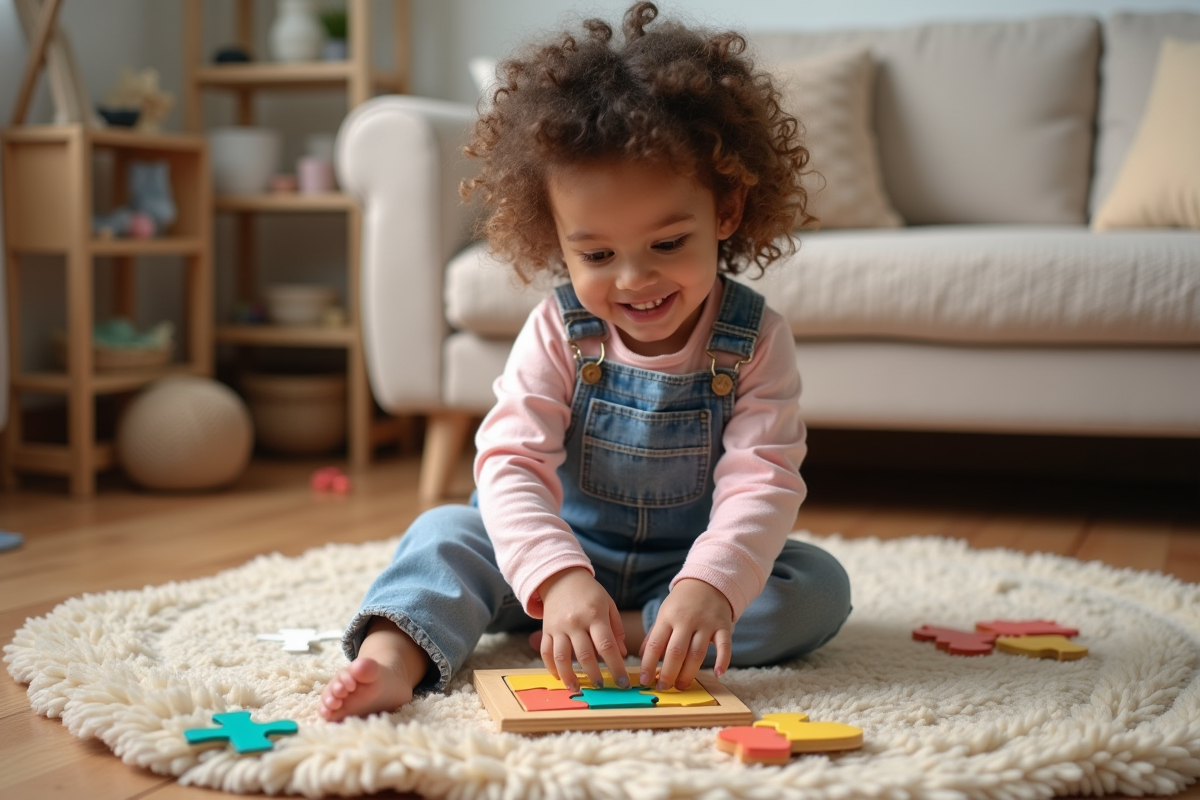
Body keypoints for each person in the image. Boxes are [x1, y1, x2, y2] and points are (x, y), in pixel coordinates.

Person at [319, 1, 851, 722]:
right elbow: (509, 463)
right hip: (548, 557)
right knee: (444, 535)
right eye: (597, 255)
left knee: (815, 586)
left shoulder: (754, 338)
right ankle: (391, 659)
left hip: (678, 570)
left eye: (667, 244)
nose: (634, 280)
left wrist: (710, 588)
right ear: (556, 240)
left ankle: (638, 633)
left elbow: (763, 479)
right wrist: (562, 577)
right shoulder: (559, 331)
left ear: (725, 210)